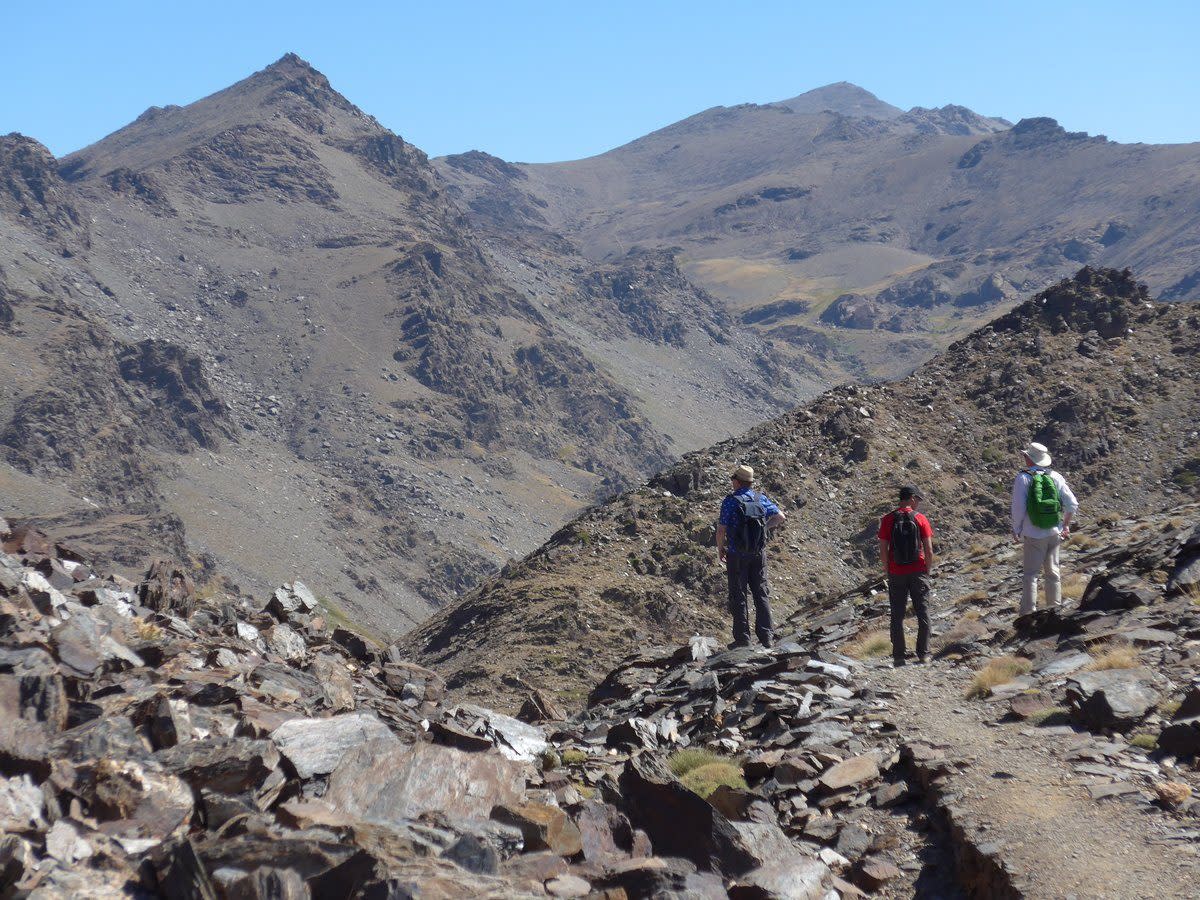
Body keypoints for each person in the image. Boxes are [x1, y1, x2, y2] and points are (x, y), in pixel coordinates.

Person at [716, 465, 786, 648]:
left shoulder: (730, 501)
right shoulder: (759, 498)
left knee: (738, 595)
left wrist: (720, 548)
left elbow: (721, 529)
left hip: (736, 555)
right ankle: (766, 637)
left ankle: (743, 639)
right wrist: (764, 528)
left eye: (733, 479)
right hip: (758, 554)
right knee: (761, 593)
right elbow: (780, 517)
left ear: (737, 481)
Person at [1011, 441, 1079, 616]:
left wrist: (1016, 529)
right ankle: (1054, 609)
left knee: (1031, 575)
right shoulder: (1055, 476)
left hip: (1033, 534)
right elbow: (1072, 504)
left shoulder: (1023, 478)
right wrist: (1065, 525)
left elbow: (1018, 508)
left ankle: (1028, 613)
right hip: (1054, 532)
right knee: (1053, 572)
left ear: (1029, 459)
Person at [878, 486, 935, 667]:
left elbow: (883, 549)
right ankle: (923, 654)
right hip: (918, 570)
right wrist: (927, 570)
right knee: (923, 612)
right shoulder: (920, 519)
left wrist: (889, 570)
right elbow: (929, 549)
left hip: (896, 572)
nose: (917, 503)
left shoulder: (888, 519)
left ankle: (899, 656)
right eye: (917, 499)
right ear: (910, 499)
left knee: (897, 615)